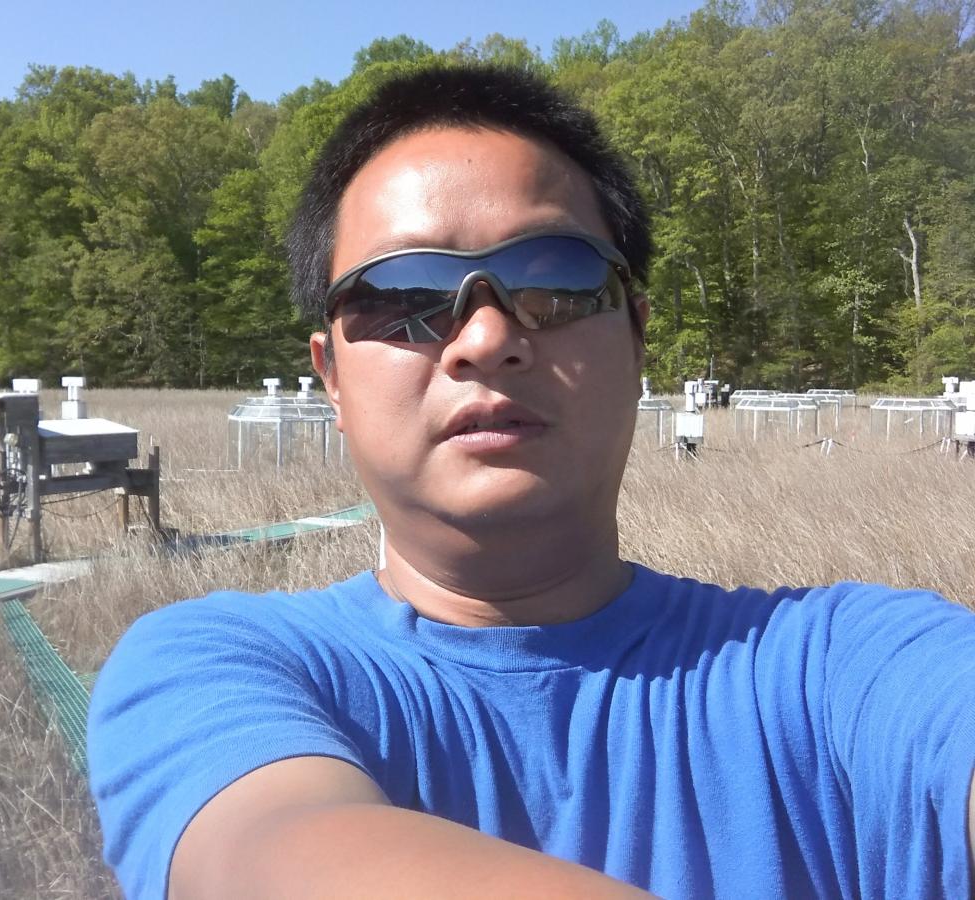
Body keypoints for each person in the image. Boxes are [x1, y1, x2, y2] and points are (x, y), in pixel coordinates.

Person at [88, 64, 975, 899]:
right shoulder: (218, 670)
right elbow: (267, 847)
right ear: (332, 379)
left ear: (637, 341)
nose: (485, 337)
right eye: (401, 298)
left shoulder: (845, 668)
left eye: (554, 278)